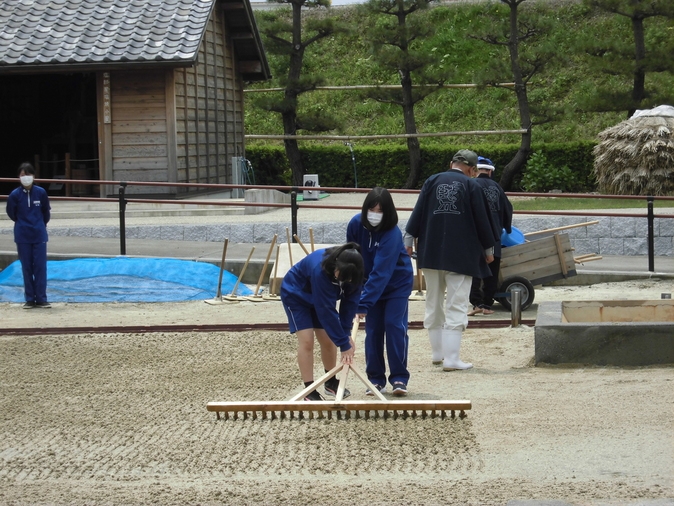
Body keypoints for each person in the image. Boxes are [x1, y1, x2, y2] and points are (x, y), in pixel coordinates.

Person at [404, 149, 495, 371]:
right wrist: (488, 248)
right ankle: (452, 359)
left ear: (451, 163)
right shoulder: (472, 185)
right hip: (461, 255)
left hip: (431, 252)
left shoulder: (432, 181)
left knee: (433, 302)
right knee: (456, 304)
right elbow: (482, 220)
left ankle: (437, 354)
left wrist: (408, 239)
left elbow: (417, 212)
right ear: (472, 169)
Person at [347, 187, 414, 396]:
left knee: (394, 325)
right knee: (373, 330)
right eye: (371, 209)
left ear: (388, 212)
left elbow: (382, 272)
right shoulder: (355, 224)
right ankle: (375, 380)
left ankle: (399, 378)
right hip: (369, 284)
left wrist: (363, 303)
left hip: (396, 284)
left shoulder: (392, 233)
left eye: (380, 211)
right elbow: (351, 259)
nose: (375, 214)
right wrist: (355, 294)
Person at [280, 243, 364, 401]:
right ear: (336, 265)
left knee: (328, 339)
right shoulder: (320, 269)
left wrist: (345, 334)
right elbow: (326, 310)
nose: (345, 280)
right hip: (296, 295)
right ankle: (309, 390)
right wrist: (344, 344)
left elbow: (350, 303)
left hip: (320, 299)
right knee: (307, 341)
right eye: (342, 277)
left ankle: (330, 382)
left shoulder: (355, 272)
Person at [468, 156, 513, 315]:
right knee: (492, 271)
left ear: (476, 170)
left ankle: (476, 303)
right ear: (490, 171)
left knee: (474, 270)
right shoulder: (497, 188)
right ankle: (487, 305)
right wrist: (507, 228)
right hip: (494, 236)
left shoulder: (471, 185)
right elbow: (508, 210)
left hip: (474, 236)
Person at [5, 162, 51, 309]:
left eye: (28, 174)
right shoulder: (15, 195)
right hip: (22, 236)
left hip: (39, 235)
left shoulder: (41, 192)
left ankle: (41, 299)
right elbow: (11, 213)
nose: (26, 177)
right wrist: (22, 224)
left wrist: (39, 225)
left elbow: (46, 212)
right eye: (23, 175)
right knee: (26, 267)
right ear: (19, 177)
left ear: (34, 176)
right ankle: (30, 299)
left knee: (40, 267)